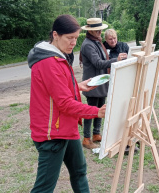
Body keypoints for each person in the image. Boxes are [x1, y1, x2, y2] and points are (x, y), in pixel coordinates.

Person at [27, 14, 106, 193]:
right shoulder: (49, 62)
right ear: (55, 35)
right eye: (70, 38)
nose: (73, 43)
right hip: (52, 134)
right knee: (44, 189)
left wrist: (77, 87)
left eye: (76, 38)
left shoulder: (58, 56)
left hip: (66, 127)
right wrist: (97, 112)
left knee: (79, 171)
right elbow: (64, 103)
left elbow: (56, 90)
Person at [80, 18, 127, 149]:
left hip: (100, 82)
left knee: (101, 108)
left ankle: (96, 134)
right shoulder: (88, 44)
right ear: (91, 31)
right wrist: (115, 60)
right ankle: (86, 138)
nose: (100, 31)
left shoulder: (96, 42)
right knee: (91, 110)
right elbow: (97, 63)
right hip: (92, 83)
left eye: (100, 29)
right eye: (97, 30)